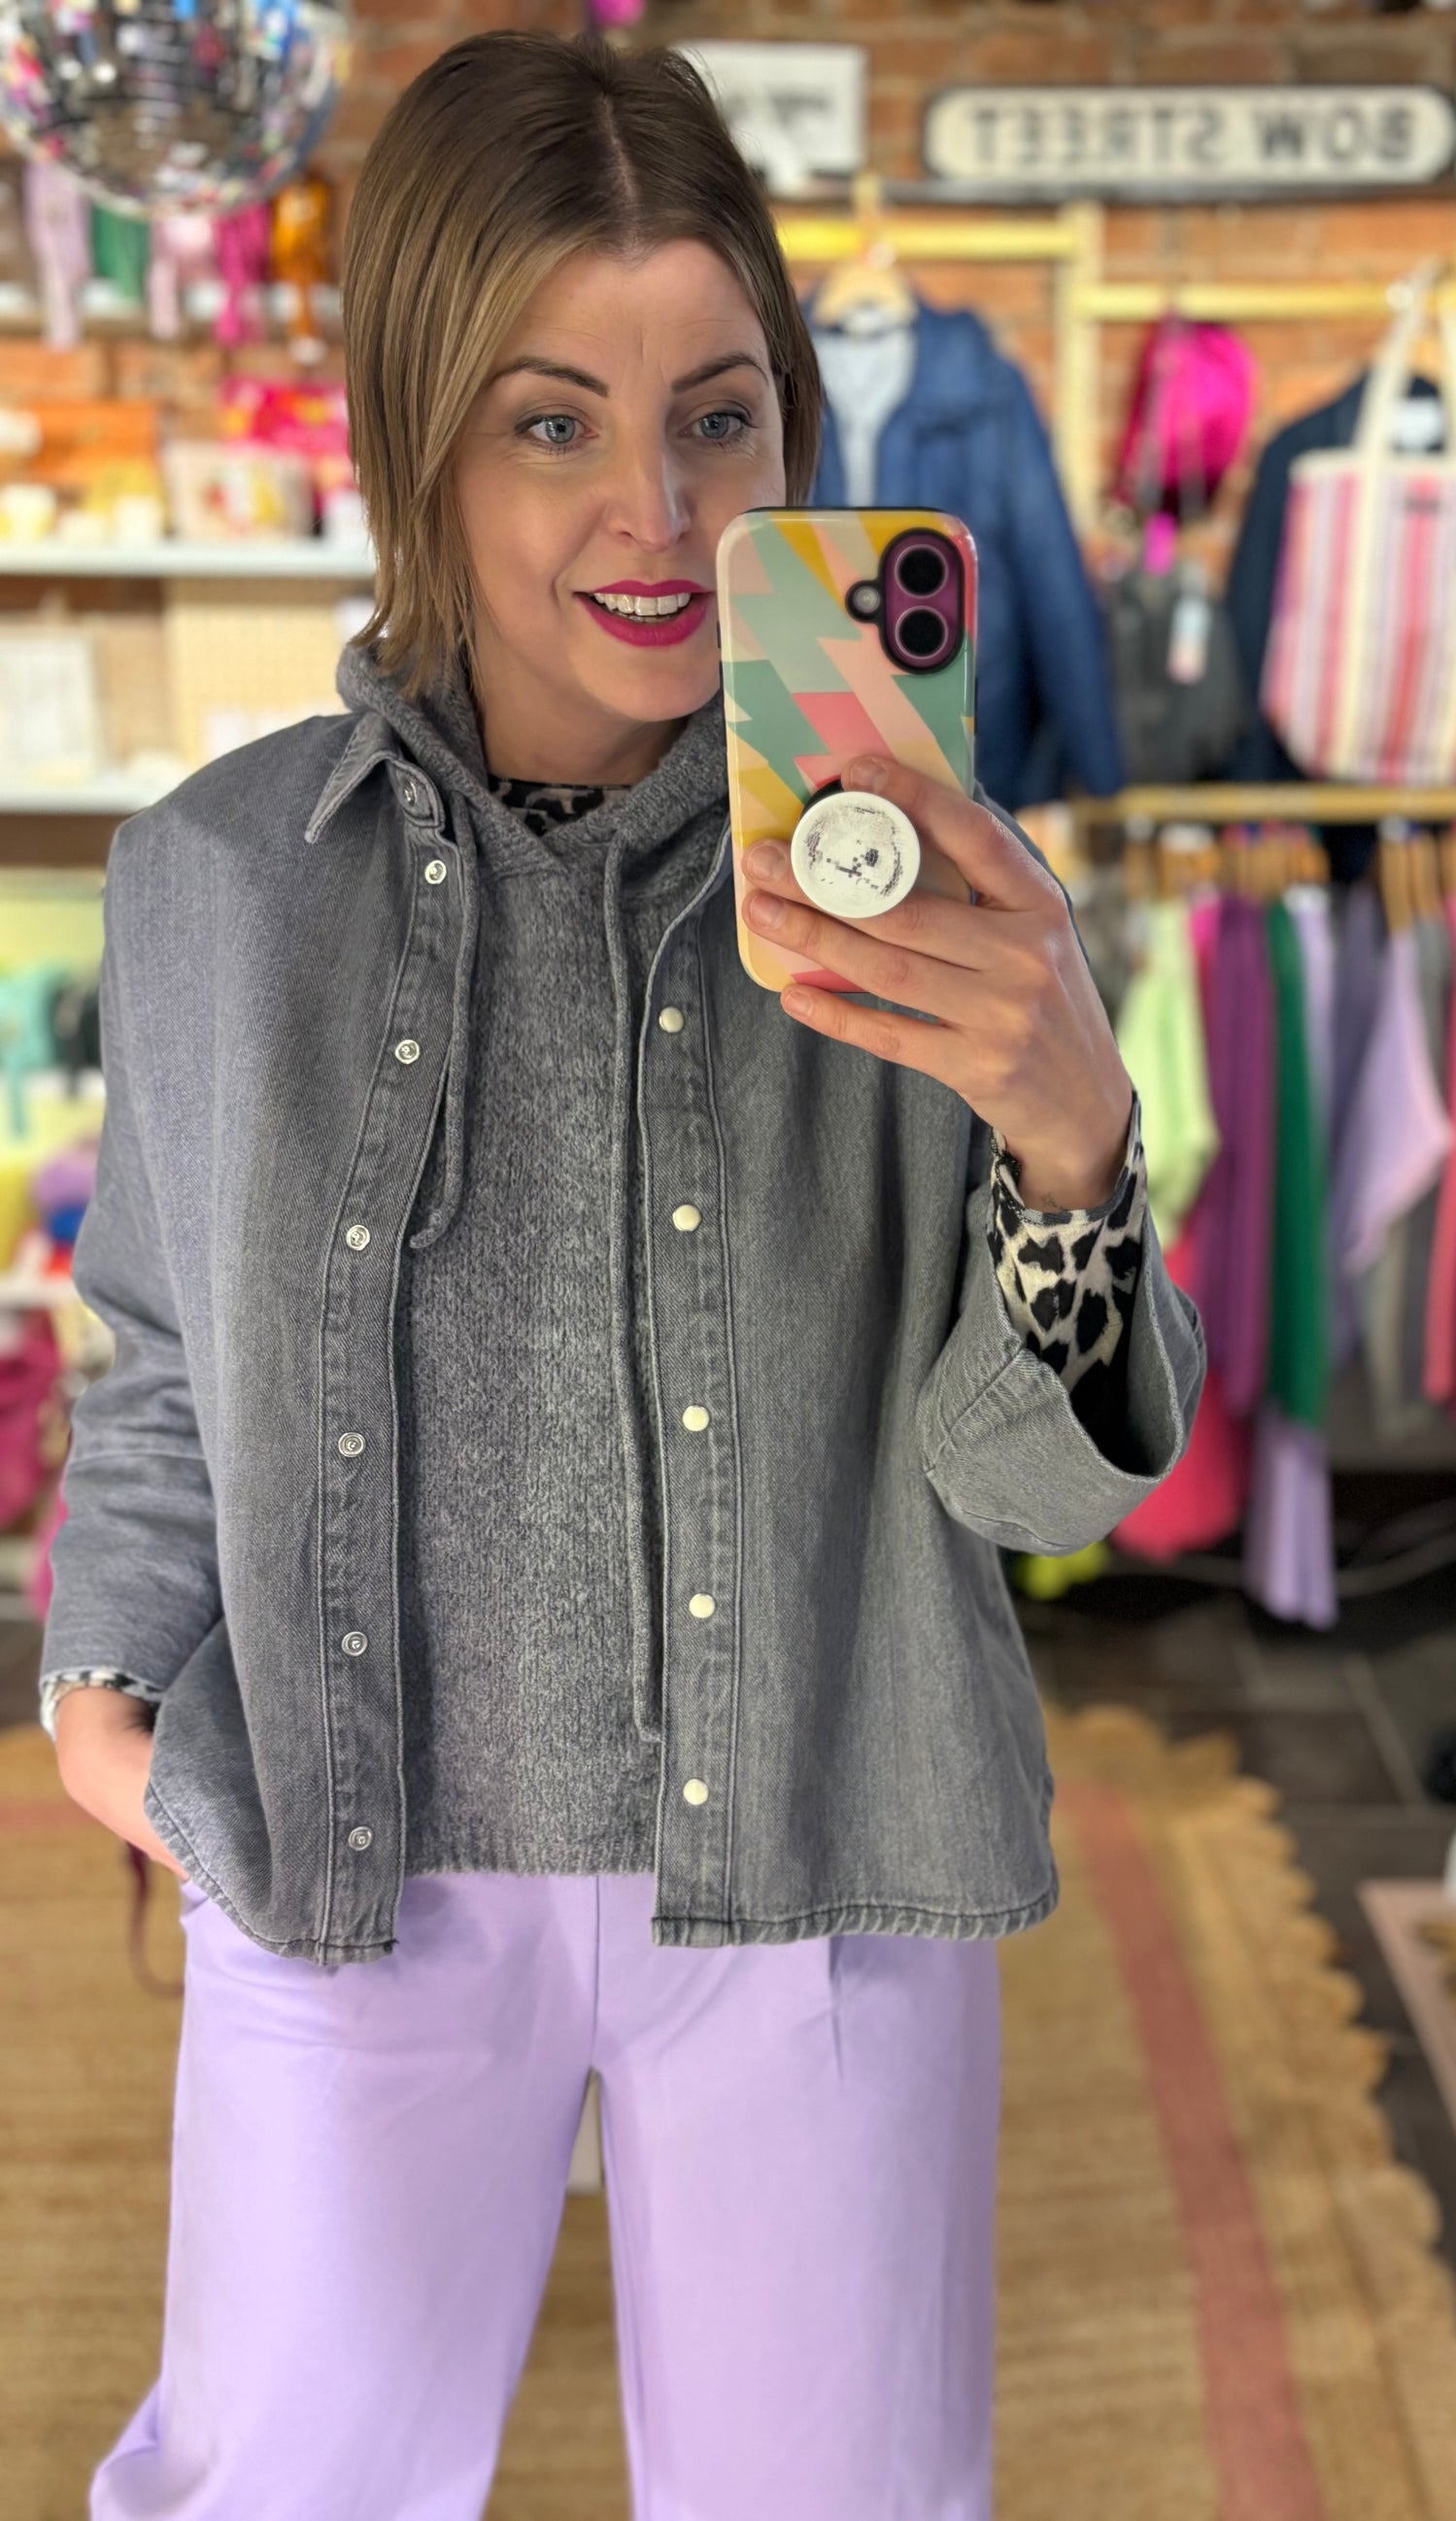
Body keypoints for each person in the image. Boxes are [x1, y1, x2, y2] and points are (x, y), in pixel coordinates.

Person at [39, 33, 1204, 2521]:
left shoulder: (950, 901)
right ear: (416, 439)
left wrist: (1070, 1138)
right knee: (274, 2489)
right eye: (550, 420)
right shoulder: (215, 880)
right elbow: (161, 1347)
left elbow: (1026, 1487)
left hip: (822, 1863)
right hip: (347, 1854)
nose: (657, 512)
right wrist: (102, 1690)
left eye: (720, 417)